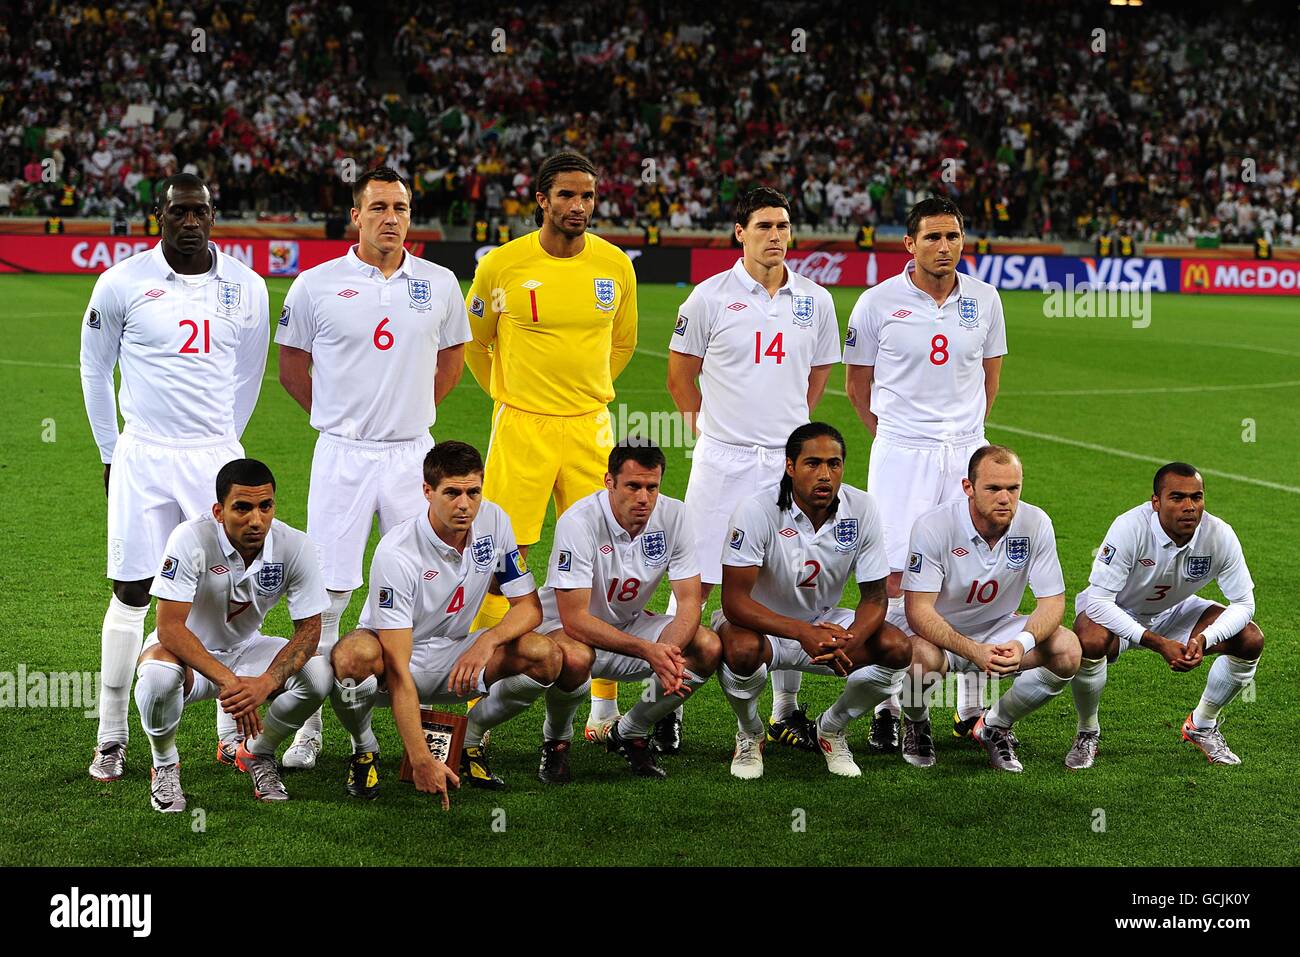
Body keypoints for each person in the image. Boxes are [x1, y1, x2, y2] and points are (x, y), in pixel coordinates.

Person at [274, 166, 470, 770]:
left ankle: (419, 720)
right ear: (355, 216)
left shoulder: (437, 283)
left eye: (402, 208)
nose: (392, 218)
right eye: (379, 207)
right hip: (342, 453)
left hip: (413, 455)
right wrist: (341, 419)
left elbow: (452, 362)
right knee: (328, 593)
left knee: (423, 588)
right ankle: (310, 726)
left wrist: (404, 415)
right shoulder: (314, 284)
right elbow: (290, 368)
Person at [80, 172, 269, 782]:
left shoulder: (247, 286)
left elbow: (249, 375)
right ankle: (111, 736)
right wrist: (112, 454)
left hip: (213, 456)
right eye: (179, 212)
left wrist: (222, 445)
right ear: (156, 215)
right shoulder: (121, 283)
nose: (191, 222)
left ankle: (227, 731)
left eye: (201, 212)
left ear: (214, 216)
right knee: (133, 590)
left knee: (223, 592)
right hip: (144, 455)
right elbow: (93, 370)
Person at [463, 151, 637, 739]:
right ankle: (476, 690)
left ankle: (605, 703)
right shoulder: (503, 265)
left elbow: (622, 344)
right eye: (566, 195)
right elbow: (475, 343)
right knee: (498, 558)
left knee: (604, 557)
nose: (579, 206)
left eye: (587, 196)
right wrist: (512, 396)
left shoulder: (615, 265)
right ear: (541, 199)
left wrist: (586, 393)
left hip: (591, 427)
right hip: (522, 428)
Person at [667, 186, 841, 754]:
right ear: (739, 231)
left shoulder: (815, 300)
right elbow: (680, 375)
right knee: (695, 581)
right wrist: (709, 431)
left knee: (788, 581)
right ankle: (668, 700)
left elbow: (816, 378)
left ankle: (787, 710)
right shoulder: (708, 297)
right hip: (722, 457)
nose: (775, 236)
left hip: (785, 464)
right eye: (764, 225)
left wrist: (789, 433)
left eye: (783, 226)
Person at [843, 195, 1007, 753]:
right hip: (902, 453)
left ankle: (971, 704)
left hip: (965, 451)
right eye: (933, 237)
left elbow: (990, 377)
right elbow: (857, 386)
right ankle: (892, 707)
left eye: (953, 236)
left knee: (971, 565)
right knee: (894, 579)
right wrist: (894, 436)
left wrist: (965, 438)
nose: (945, 247)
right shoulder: (875, 303)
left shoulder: (985, 299)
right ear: (909, 244)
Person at [327, 442, 561, 805]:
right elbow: (400, 668)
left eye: (473, 492)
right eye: (451, 493)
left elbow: (529, 608)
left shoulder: (495, 521)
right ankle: (364, 749)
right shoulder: (397, 552)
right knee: (351, 657)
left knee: (543, 654)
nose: (464, 504)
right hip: (393, 663)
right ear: (427, 492)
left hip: (458, 653)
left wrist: (487, 642)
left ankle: (471, 740)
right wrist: (421, 760)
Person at [715, 423, 912, 779]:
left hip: (824, 624)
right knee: (740, 649)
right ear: (790, 466)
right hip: (762, 626)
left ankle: (832, 728)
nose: (825, 475)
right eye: (813, 464)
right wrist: (801, 631)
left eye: (834, 464)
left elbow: (875, 596)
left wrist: (849, 640)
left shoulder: (862, 507)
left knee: (897, 648)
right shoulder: (755, 510)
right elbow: (733, 602)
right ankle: (750, 731)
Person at [133, 459, 331, 811]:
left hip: (246, 649)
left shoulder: (294, 546)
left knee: (318, 675)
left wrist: (266, 682)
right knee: (157, 678)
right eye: (242, 507)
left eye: (265, 506)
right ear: (219, 511)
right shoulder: (190, 538)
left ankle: (257, 752)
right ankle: (164, 764)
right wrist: (229, 681)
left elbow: (310, 629)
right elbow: (169, 628)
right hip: (187, 654)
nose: (256, 519)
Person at [535, 440, 720, 782]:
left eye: (652, 487)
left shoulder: (674, 515)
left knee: (706, 645)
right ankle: (557, 741)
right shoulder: (579, 521)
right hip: (566, 633)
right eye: (633, 486)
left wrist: (670, 652)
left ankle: (631, 731)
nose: (643, 497)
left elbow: (690, 601)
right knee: (575, 658)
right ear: (609, 482)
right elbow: (575, 619)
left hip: (628, 625)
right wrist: (649, 651)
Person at [1066, 463, 1263, 768]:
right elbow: (1097, 602)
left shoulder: (1218, 534)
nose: (1189, 507)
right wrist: (1158, 643)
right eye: (1177, 498)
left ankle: (1202, 724)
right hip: (1119, 610)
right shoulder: (1130, 527)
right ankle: (1087, 731)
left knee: (1249, 639)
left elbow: (1243, 604)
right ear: (1155, 502)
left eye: (1196, 497)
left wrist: (1205, 637)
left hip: (1175, 610)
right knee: (1089, 641)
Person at [898, 445, 1080, 772]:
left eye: (1013, 488)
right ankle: (915, 721)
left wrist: (1021, 642)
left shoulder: (1036, 523)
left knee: (1067, 650)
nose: (1005, 498)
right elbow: (918, 611)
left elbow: (1053, 603)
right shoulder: (934, 526)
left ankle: (994, 724)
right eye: (993, 488)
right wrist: (973, 651)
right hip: (940, 635)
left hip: (998, 630)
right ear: (968, 488)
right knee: (919, 659)